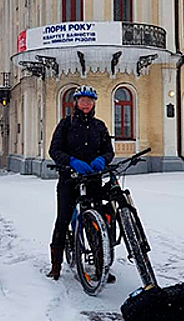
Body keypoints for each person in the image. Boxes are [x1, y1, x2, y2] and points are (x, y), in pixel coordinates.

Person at [47, 85, 115, 282]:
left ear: (93, 103)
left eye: (89, 100)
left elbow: (109, 150)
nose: (86, 103)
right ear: (75, 103)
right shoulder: (65, 125)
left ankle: (101, 266)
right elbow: (55, 150)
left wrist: (102, 159)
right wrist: (71, 161)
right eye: (82, 100)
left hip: (92, 179)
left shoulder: (99, 126)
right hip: (69, 179)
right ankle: (56, 266)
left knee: (97, 222)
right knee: (63, 219)